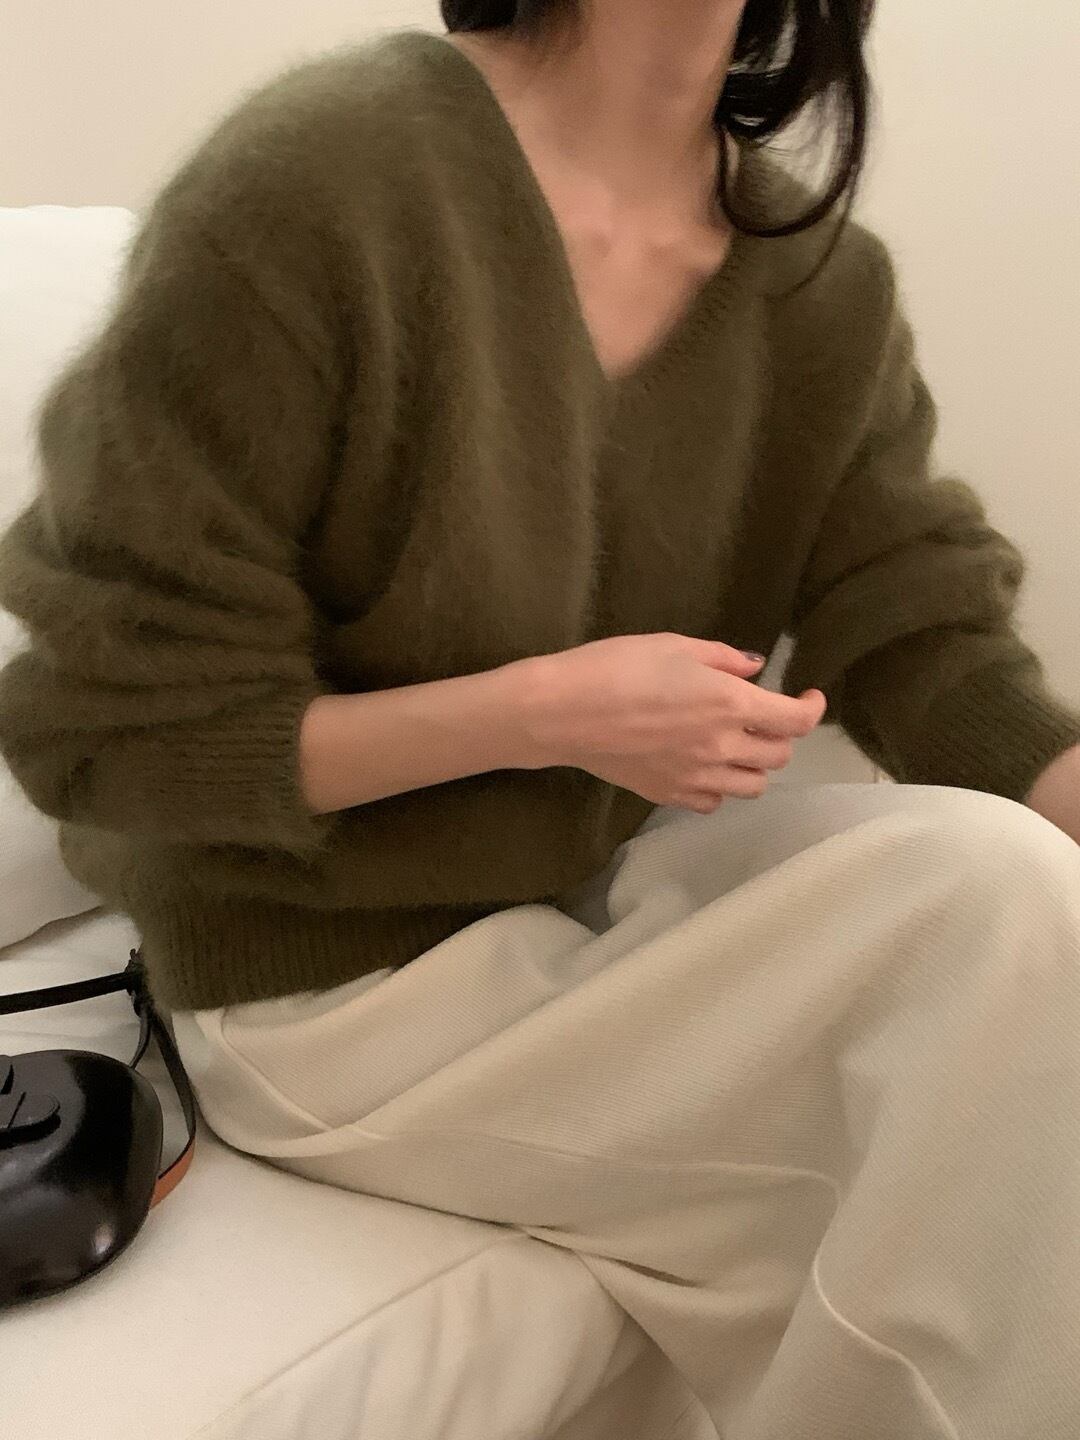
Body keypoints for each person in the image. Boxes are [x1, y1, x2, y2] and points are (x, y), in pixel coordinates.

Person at [2, 2, 1080, 1434]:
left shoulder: (817, 282)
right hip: (322, 979)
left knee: (1008, 895)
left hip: (582, 899)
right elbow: (105, 726)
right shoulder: (325, 182)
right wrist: (539, 715)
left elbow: (928, 638)